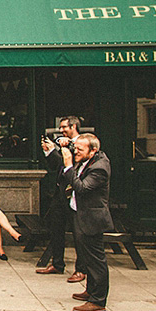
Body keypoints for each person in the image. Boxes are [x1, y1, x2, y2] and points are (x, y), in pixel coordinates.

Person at [61, 133, 114, 311]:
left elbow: (82, 188)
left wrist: (68, 167)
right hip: (82, 215)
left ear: (93, 151)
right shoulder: (89, 160)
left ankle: (98, 301)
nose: (75, 152)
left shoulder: (100, 168)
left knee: (96, 260)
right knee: (88, 258)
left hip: (92, 219)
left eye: (80, 149)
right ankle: (91, 291)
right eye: (76, 148)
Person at [37, 116, 87, 282]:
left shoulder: (82, 145)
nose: (62, 130)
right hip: (60, 193)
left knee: (78, 233)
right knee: (56, 228)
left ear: (74, 126)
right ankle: (57, 264)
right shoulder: (65, 143)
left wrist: (54, 151)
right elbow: (57, 166)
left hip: (74, 192)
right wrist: (48, 151)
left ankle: (81, 270)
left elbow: (69, 165)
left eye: (64, 127)